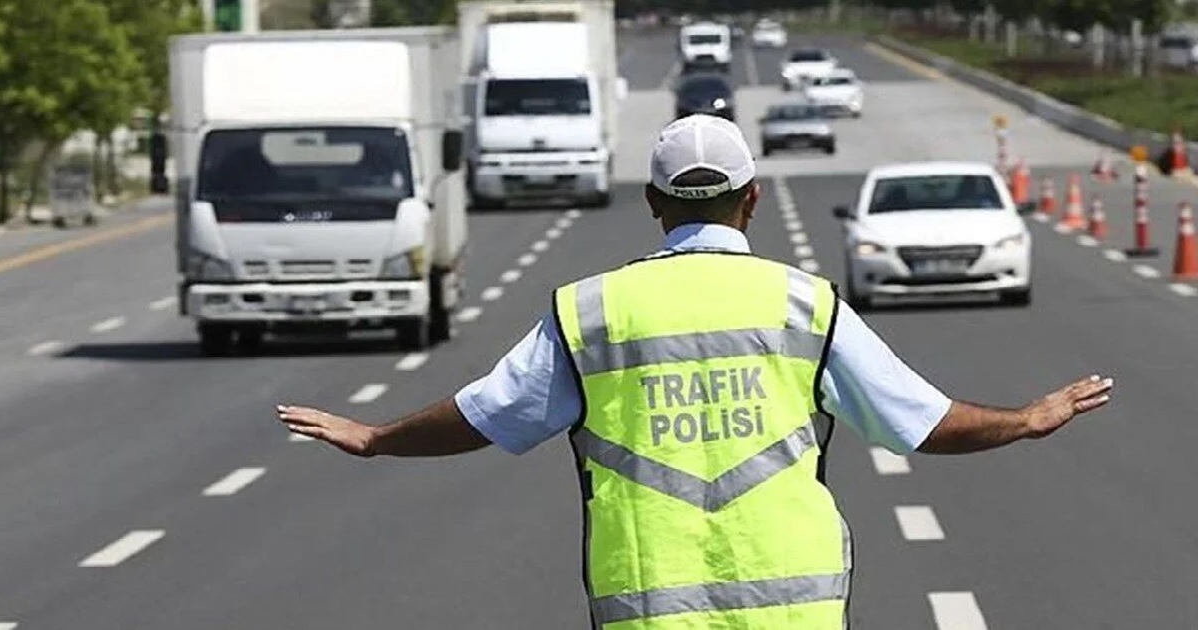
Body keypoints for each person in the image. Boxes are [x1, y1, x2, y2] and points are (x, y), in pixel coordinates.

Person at [276, 114, 1114, 629]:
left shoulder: (592, 311)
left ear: (651, 202)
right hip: (798, 612)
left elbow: (488, 414)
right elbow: (921, 423)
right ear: (751, 201)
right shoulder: (803, 305)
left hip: (649, 608)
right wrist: (1025, 420)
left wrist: (376, 436)